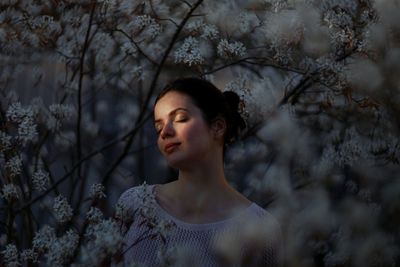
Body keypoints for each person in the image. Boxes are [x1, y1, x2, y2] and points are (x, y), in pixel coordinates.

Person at [115, 77, 283, 266]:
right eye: (158, 127)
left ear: (218, 127)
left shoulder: (259, 228)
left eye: (180, 118)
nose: (165, 132)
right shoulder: (135, 205)